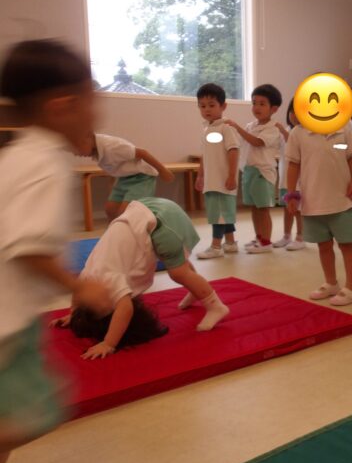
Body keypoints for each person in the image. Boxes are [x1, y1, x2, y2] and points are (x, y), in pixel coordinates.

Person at [0, 39, 110, 463]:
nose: (97, 109)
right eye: (92, 97)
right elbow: (28, 246)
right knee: (33, 412)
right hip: (8, 323)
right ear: (62, 106)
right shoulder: (45, 163)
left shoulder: (15, 154)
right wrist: (79, 286)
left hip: (11, 316)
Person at [51, 197, 230, 359]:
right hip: (147, 211)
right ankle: (196, 289)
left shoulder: (107, 280)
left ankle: (215, 306)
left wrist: (109, 343)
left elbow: (125, 309)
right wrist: (75, 314)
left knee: (178, 272)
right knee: (178, 265)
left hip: (160, 221)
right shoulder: (89, 279)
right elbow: (78, 293)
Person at [285, 111, 352, 307]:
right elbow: (293, 164)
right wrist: (291, 194)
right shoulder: (298, 133)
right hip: (313, 201)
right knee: (323, 245)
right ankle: (331, 283)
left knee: (346, 244)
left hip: (341, 200)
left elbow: (351, 157)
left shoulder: (343, 127)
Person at [227, 84, 282, 254]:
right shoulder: (251, 125)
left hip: (262, 172)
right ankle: (259, 238)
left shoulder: (273, 128)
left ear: (274, 109)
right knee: (254, 207)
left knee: (263, 208)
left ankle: (266, 242)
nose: (256, 107)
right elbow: (241, 141)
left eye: (262, 104)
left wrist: (237, 127)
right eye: (254, 103)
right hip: (249, 170)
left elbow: (257, 142)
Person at [81, 132, 175, 221]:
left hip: (141, 178)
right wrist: (113, 187)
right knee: (111, 210)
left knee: (127, 213)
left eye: (78, 147)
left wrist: (163, 171)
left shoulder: (112, 147)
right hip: (124, 178)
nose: (77, 153)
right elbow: (115, 168)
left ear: (89, 137)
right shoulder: (98, 152)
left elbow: (143, 153)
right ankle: (117, 230)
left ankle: (144, 226)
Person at [194, 83, 241, 259]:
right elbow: (204, 155)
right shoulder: (207, 128)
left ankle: (216, 246)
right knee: (223, 212)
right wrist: (200, 175)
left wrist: (231, 176)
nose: (207, 109)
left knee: (219, 214)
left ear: (223, 106)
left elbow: (233, 150)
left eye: (211, 105)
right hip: (211, 181)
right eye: (202, 106)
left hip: (222, 181)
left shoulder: (226, 127)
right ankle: (230, 243)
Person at [271, 100, 305, 251]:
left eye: (299, 112)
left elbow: (290, 140)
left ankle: (300, 237)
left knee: (298, 210)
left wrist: (281, 131)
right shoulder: (288, 129)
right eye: (292, 112)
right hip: (285, 177)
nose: (294, 116)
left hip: (299, 180)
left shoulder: (303, 132)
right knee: (287, 208)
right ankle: (286, 236)